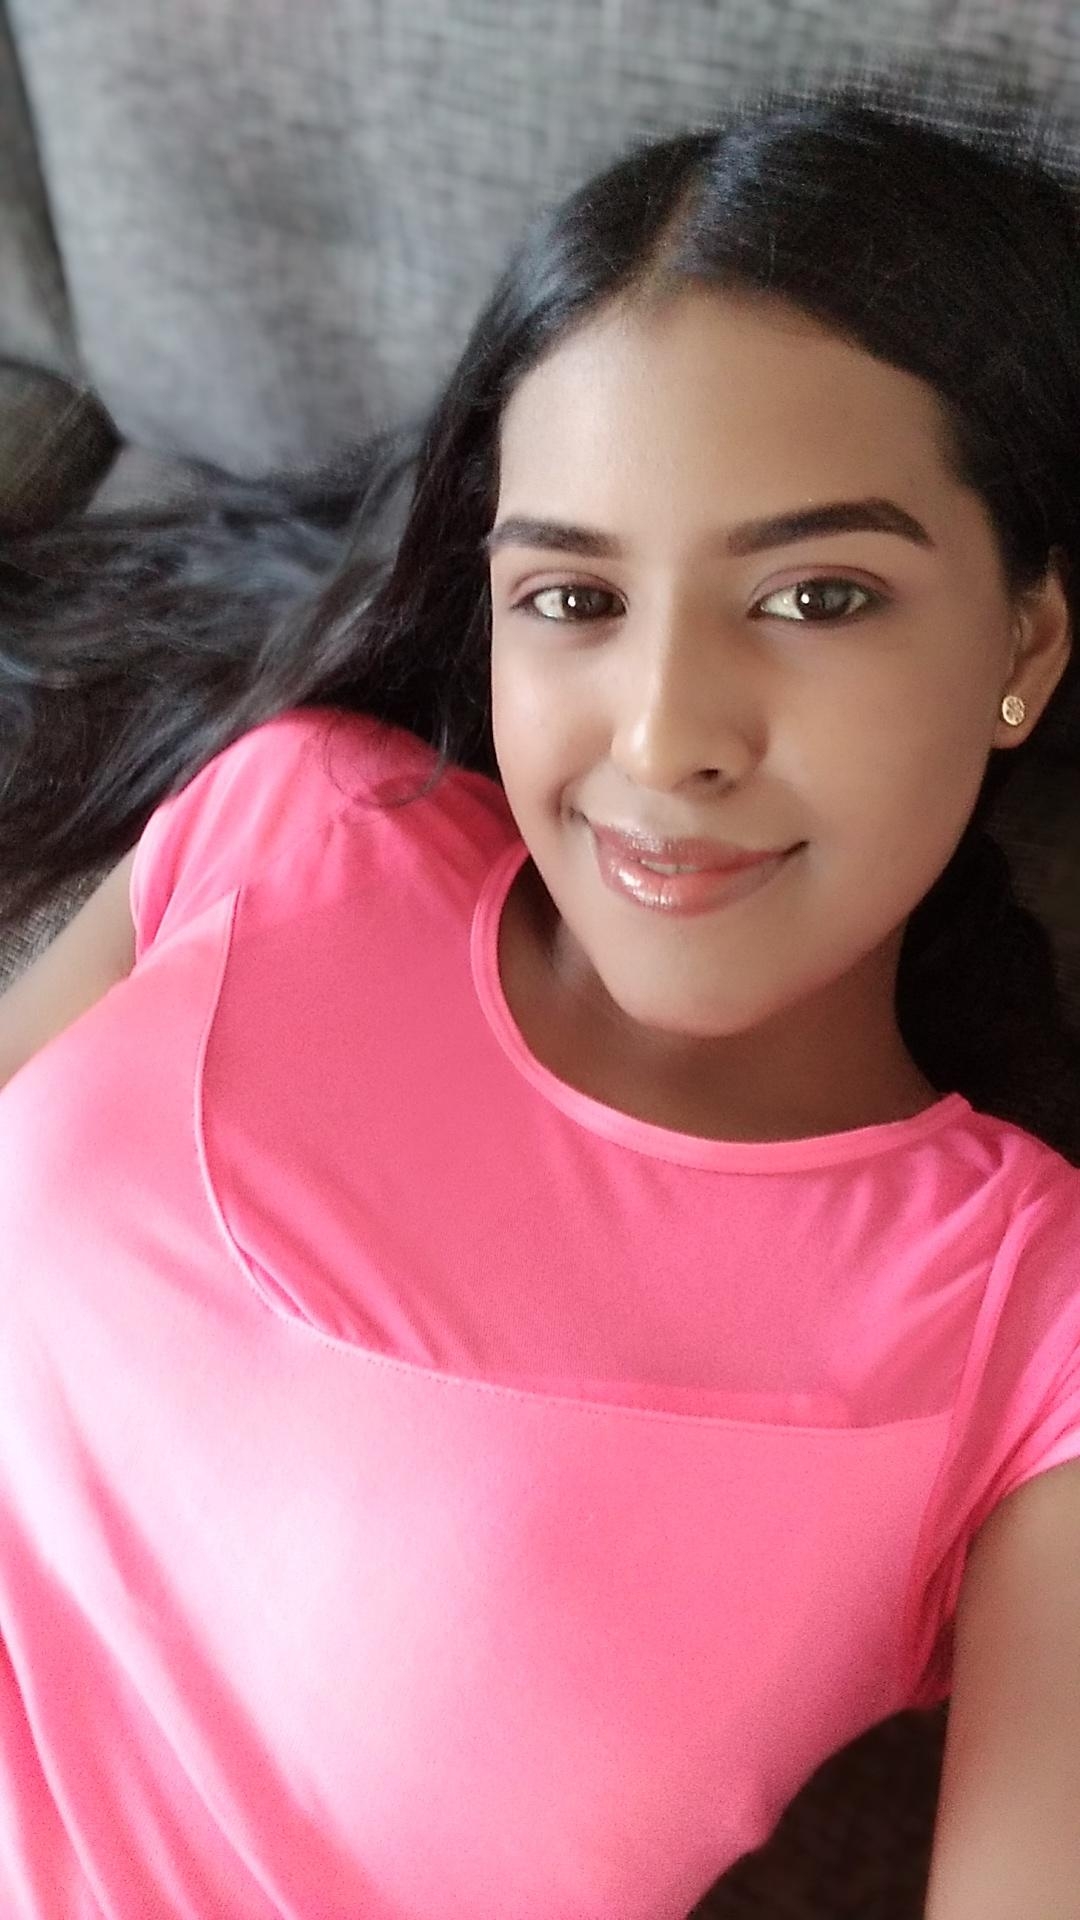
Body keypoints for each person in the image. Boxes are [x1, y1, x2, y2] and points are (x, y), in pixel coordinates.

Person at [0, 56, 1078, 1920]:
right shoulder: (296, 813)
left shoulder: (1018, 1329)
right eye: (574, 599)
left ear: (1026, 645)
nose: (665, 737)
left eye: (816, 597)